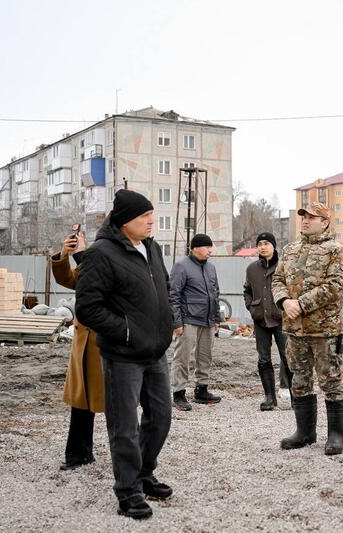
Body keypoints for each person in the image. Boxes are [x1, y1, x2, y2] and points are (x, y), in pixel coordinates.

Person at [76, 189, 174, 520]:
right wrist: (127, 332)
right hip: (123, 356)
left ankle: (145, 474)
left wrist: (167, 321)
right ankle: (128, 491)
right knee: (125, 427)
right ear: (124, 222)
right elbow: (88, 308)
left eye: (151, 214)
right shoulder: (101, 254)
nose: (151, 220)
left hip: (156, 352)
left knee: (160, 418)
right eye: (144, 216)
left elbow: (164, 286)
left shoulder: (152, 248)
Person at [272, 202, 343, 455]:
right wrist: (284, 301)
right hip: (295, 330)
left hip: (324, 330)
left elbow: (334, 286)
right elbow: (278, 279)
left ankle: (335, 435)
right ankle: (305, 432)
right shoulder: (290, 249)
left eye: (312, 217)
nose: (305, 220)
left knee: (331, 381)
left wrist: (300, 304)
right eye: (303, 216)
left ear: (325, 221)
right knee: (299, 380)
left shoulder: (335, 250)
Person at [51, 230, 104, 471]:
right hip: (84, 341)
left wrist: (82, 254)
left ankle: (132, 460)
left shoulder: (106, 259)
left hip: (103, 341)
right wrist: (64, 254)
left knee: (114, 402)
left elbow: (100, 283)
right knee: (81, 400)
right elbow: (69, 280)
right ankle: (78, 455)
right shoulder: (91, 260)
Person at [169, 233, 222, 411]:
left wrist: (216, 318)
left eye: (210, 247)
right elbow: (173, 295)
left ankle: (202, 390)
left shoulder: (212, 268)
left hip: (207, 320)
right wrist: (176, 322)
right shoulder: (181, 266)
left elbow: (215, 294)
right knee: (183, 357)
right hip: (188, 320)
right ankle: (178, 393)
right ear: (195, 248)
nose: (210, 250)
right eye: (207, 247)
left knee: (205, 356)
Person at [244, 231, 293, 411]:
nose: (262, 246)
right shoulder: (251, 269)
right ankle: (269, 398)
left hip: (281, 319)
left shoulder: (284, 266)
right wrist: (251, 307)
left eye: (266, 243)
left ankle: (295, 397)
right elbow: (247, 290)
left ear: (273, 246)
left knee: (287, 357)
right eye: (260, 243)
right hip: (260, 321)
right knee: (263, 359)